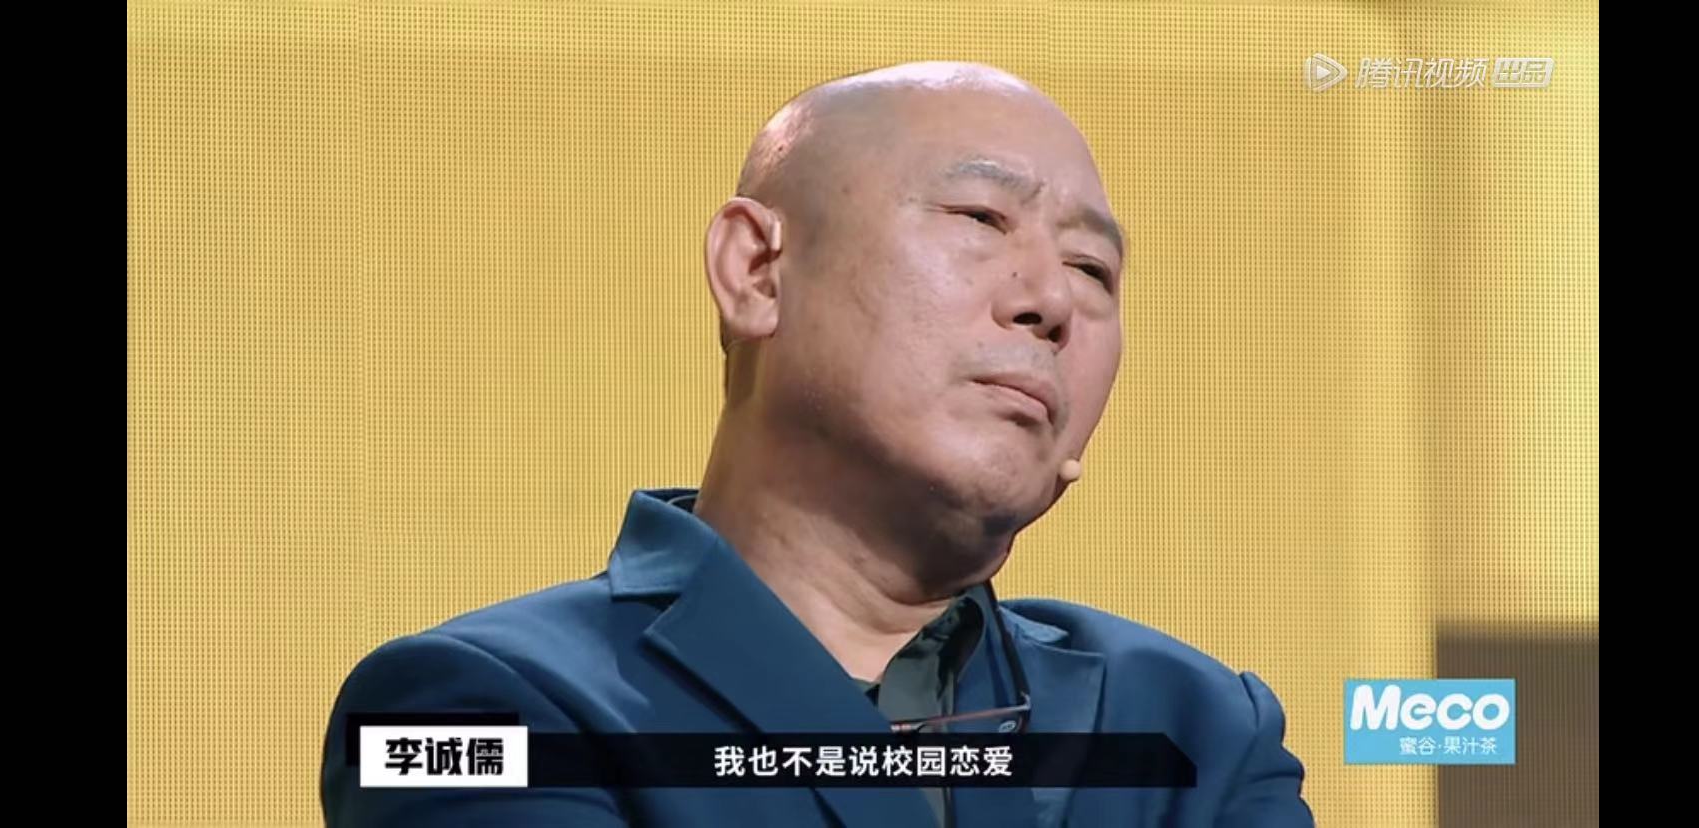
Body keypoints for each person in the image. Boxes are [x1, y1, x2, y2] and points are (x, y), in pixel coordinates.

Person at [321, 60, 1314, 827]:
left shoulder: (1193, 728)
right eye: (981, 217)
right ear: (757, 271)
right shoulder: (472, 711)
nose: (1050, 301)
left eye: (1093, 269)